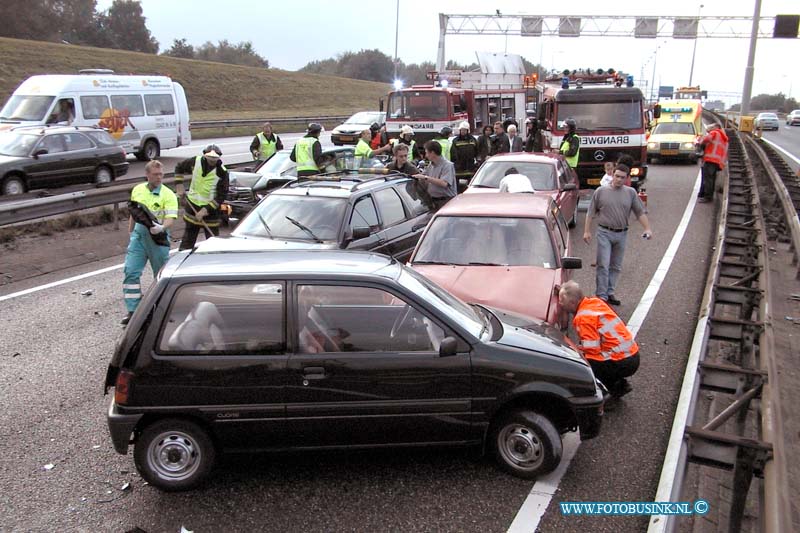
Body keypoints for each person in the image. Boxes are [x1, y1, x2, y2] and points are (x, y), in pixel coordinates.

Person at [558, 280, 640, 402]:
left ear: (572, 302)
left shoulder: (583, 317)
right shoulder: (595, 302)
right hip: (631, 355)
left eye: (562, 301)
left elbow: (592, 349)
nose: (560, 304)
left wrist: (572, 349)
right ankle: (619, 384)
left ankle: (606, 396)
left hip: (622, 361)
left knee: (583, 363)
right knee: (595, 358)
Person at [583, 163, 652, 305]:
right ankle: (601, 295)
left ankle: (610, 292)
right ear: (612, 175)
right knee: (603, 263)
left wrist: (647, 228)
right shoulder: (601, 191)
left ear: (627, 178)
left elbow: (640, 212)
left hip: (621, 234)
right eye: (616, 176)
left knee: (616, 265)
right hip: (604, 232)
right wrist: (586, 231)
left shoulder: (631, 193)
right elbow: (591, 212)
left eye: (622, 177)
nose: (619, 180)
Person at [121, 160, 178, 325]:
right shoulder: (138, 190)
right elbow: (134, 212)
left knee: (160, 276)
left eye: (161, 174)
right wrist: (131, 232)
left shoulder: (168, 194)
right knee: (131, 272)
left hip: (157, 238)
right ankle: (133, 312)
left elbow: (170, 218)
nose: (159, 177)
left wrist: (162, 227)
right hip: (139, 236)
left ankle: (160, 310)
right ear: (147, 175)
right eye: (155, 174)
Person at [174, 145, 229, 250]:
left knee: (212, 244)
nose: (212, 161)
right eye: (210, 158)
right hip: (192, 208)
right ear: (205, 156)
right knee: (187, 243)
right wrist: (179, 185)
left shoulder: (222, 172)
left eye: (214, 158)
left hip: (210, 213)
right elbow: (179, 167)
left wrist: (206, 210)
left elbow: (222, 195)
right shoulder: (195, 161)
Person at [421, 140, 457, 211]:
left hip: (446, 202)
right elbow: (423, 176)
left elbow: (444, 183)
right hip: (433, 201)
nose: (426, 156)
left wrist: (426, 178)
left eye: (427, 153)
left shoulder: (447, 165)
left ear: (433, 153)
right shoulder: (430, 165)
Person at [698, 123, 729, 203]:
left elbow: (706, 139)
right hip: (717, 161)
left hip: (710, 159)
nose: (709, 128)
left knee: (708, 179)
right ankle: (709, 195)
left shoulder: (715, 133)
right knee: (712, 178)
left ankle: (707, 197)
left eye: (711, 126)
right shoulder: (724, 138)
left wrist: (699, 142)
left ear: (716, 127)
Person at [450, 121, 478, 191]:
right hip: (459, 167)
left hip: (470, 166)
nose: (463, 131)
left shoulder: (473, 140)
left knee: (470, 185)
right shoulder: (455, 140)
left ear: (467, 130)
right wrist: (456, 163)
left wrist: (476, 160)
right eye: (462, 130)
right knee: (458, 187)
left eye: (464, 130)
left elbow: (477, 151)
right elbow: (453, 154)